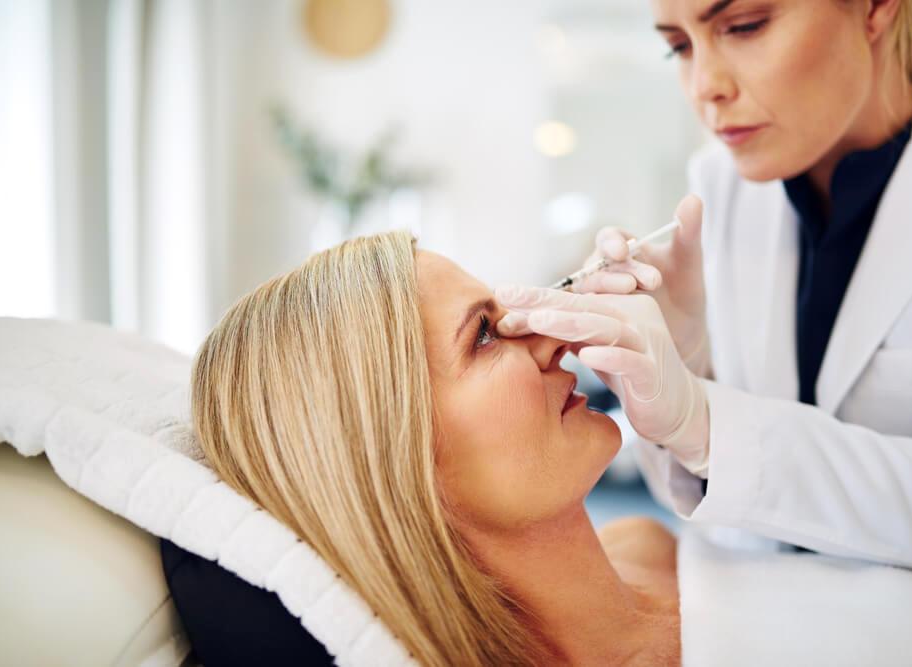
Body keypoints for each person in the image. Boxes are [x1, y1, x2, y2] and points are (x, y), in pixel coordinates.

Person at [498, 0, 912, 575]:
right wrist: (688, 364)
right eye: (679, 46)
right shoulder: (723, 181)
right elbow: (732, 508)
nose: (705, 88)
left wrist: (704, 423)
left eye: (745, 26)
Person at [188, 231, 681, 666]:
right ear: (389, 457)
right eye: (485, 336)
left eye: (512, 315)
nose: (553, 335)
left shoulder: (653, 546)